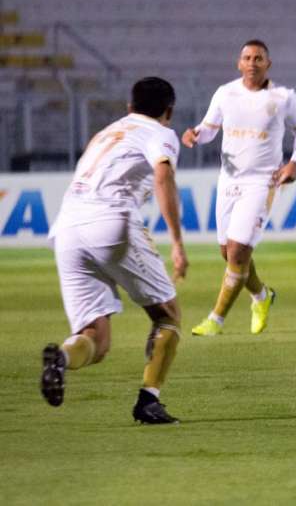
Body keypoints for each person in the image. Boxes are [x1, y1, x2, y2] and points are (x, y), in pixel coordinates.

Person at [40, 77, 189, 424]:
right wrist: (178, 243)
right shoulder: (161, 132)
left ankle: (62, 358)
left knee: (97, 339)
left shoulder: (105, 133)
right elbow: (163, 177)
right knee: (168, 315)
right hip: (109, 220)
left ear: (129, 108)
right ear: (169, 111)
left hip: (67, 228)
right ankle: (149, 401)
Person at [183, 40, 296, 336]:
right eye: (247, 57)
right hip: (229, 180)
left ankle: (216, 319)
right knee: (228, 254)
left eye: (258, 58)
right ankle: (262, 296)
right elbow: (208, 130)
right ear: (239, 63)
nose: (252, 62)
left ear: (268, 64)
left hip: (263, 181)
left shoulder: (284, 97)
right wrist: (194, 134)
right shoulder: (225, 94)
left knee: (239, 251)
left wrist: (294, 163)